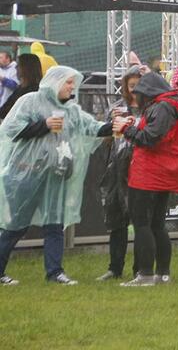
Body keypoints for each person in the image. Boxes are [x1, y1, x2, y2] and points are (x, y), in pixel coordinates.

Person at [0, 66, 113, 285]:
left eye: (73, 83)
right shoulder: (30, 101)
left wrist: (114, 126)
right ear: (55, 82)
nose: (72, 87)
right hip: (26, 174)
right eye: (68, 82)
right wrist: (44, 125)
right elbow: (10, 128)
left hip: (55, 176)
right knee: (15, 226)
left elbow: (91, 127)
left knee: (54, 224)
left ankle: (55, 273)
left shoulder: (71, 110)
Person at [115, 71, 178, 286]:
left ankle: (146, 273)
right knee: (158, 224)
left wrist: (126, 129)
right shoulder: (172, 106)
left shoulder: (161, 107)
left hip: (149, 174)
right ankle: (163, 273)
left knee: (142, 224)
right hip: (165, 173)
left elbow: (150, 138)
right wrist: (135, 125)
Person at [97, 70, 142, 282]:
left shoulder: (151, 108)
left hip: (140, 169)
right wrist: (111, 123)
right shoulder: (117, 108)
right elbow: (106, 139)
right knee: (117, 221)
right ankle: (115, 268)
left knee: (142, 222)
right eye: (131, 85)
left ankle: (140, 270)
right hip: (116, 170)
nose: (134, 89)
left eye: (138, 85)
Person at [0, 54, 43, 121]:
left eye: (18, 65)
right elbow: (4, 111)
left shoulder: (36, 91)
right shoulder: (19, 89)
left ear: (27, 68)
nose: (15, 68)